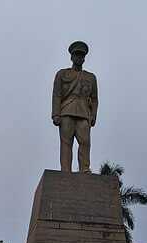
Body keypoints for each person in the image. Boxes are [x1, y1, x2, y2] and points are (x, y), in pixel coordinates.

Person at [51, 40, 98, 173]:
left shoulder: (91, 77)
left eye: (81, 55)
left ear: (84, 58)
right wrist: (55, 114)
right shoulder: (62, 74)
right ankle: (66, 170)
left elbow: (94, 99)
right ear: (71, 57)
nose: (79, 58)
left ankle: (84, 168)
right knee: (66, 143)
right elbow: (57, 95)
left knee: (85, 142)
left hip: (84, 113)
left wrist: (93, 115)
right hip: (66, 111)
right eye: (77, 55)